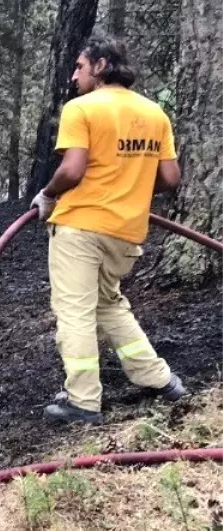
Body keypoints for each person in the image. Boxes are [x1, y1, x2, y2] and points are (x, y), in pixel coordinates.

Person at [31, 36, 186, 425]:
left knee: (74, 312)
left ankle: (83, 402)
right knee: (109, 304)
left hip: (81, 227)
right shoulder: (155, 114)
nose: (74, 76)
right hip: (125, 231)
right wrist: (128, 187)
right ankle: (159, 379)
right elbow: (170, 177)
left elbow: (72, 169)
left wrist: (47, 195)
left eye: (80, 67)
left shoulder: (81, 108)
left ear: (100, 66)